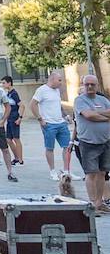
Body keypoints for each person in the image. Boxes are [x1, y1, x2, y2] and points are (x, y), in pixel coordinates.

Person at [76, 75, 110, 212]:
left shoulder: (103, 100)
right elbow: (89, 116)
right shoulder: (79, 100)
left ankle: (99, 202)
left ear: (97, 86)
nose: (90, 87)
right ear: (83, 85)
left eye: (92, 84)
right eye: (87, 84)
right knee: (91, 174)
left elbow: (94, 114)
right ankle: (92, 205)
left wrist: (96, 113)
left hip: (105, 141)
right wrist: (105, 118)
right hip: (88, 142)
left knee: (102, 173)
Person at [33, 71, 75, 179]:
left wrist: (65, 116)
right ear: (52, 79)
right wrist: (40, 119)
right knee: (50, 148)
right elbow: (32, 105)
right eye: (59, 80)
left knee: (67, 147)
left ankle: (66, 171)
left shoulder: (56, 91)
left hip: (61, 123)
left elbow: (58, 105)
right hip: (49, 124)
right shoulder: (41, 90)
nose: (61, 82)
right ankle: (52, 171)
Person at [2, 76, 24, 165]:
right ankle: (16, 157)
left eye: (4, 83)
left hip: (14, 117)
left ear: (9, 83)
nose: (3, 85)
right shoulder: (8, 94)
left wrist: (20, 118)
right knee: (8, 139)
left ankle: (20, 159)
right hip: (9, 118)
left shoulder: (14, 93)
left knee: (16, 138)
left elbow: (22, 105)